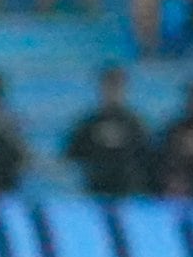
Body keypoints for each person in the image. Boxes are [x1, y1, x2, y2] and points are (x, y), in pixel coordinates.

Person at [64, 64, 160, 198]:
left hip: (129, 193)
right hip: (97, 192)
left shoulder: (136, 124)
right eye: (109, 85)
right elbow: (71, 156)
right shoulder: (88, 124)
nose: (112, 91)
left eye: (117, 85)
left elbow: (148, 157)